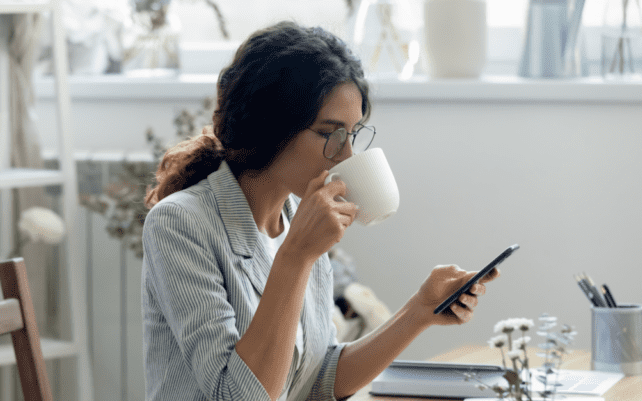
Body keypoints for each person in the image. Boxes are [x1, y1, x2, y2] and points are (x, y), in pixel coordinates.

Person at [141, 21, 500, 401]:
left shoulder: (297, 215)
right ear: (270, 128)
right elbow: (237, 395)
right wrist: (297, 256)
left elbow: (318, 377)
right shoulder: (179, 224)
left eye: (353, 133)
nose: (347, 156)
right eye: (330, 134)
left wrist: (418, 312)